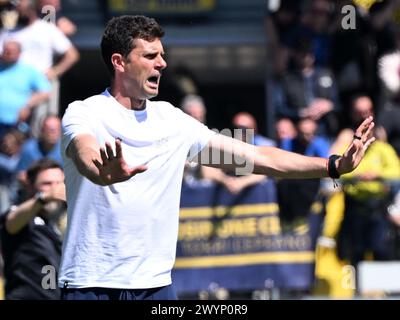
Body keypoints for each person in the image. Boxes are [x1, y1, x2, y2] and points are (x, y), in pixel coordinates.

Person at [59, 15, 375, 300]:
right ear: (120, 62)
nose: (162, 64)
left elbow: (258, 157)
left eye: (163, 56)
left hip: (154, 286)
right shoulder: (85, 112)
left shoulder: (173, 120)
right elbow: (84, 152)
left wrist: (333, 165)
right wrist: (102, 172)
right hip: (91, 283)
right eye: (151, 56)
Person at [0, 159, 66, 299]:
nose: (55, 189)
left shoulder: (53, 224)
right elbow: (11, 222)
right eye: (47, 184)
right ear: (30, 186)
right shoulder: (21, 215)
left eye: (60, 183)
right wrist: (44, 198)